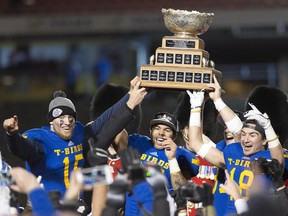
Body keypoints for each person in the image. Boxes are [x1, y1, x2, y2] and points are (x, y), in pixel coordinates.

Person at [2, 76, 146, 199]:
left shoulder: (79, 132)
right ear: (51, 121)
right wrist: (12, 135)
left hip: (78, 206)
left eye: (70, 117)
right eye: (61, 118)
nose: (67, 122)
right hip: (48, 208)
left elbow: (106, 118)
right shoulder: (40, 139)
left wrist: (130, 97)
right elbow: (21, 148)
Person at [187, 75, 284, 215]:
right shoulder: (233, 151)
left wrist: (267, 127)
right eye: (244, 134)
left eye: (252, 135)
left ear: (264, 140)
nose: (246, 139)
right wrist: (197, 106)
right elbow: (196, 143)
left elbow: (279, 161)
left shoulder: (268, 157)